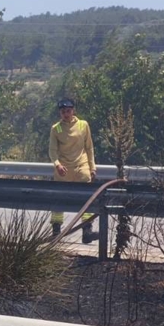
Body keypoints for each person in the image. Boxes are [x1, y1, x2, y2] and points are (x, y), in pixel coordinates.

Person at [49, 98, 98, 242]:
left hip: (81, 168)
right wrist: (57, 164)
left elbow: (89, 148)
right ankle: (56, 231)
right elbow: (52, 150)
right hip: (63, 170)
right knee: (59, 199)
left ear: (73, 110)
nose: (66, 114)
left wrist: (92, 167)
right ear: (60, 112)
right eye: (63, 111)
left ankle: (87, 230)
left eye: (68, 111)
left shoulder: (83, 125)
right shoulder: (56, 128)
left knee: (87, 200)